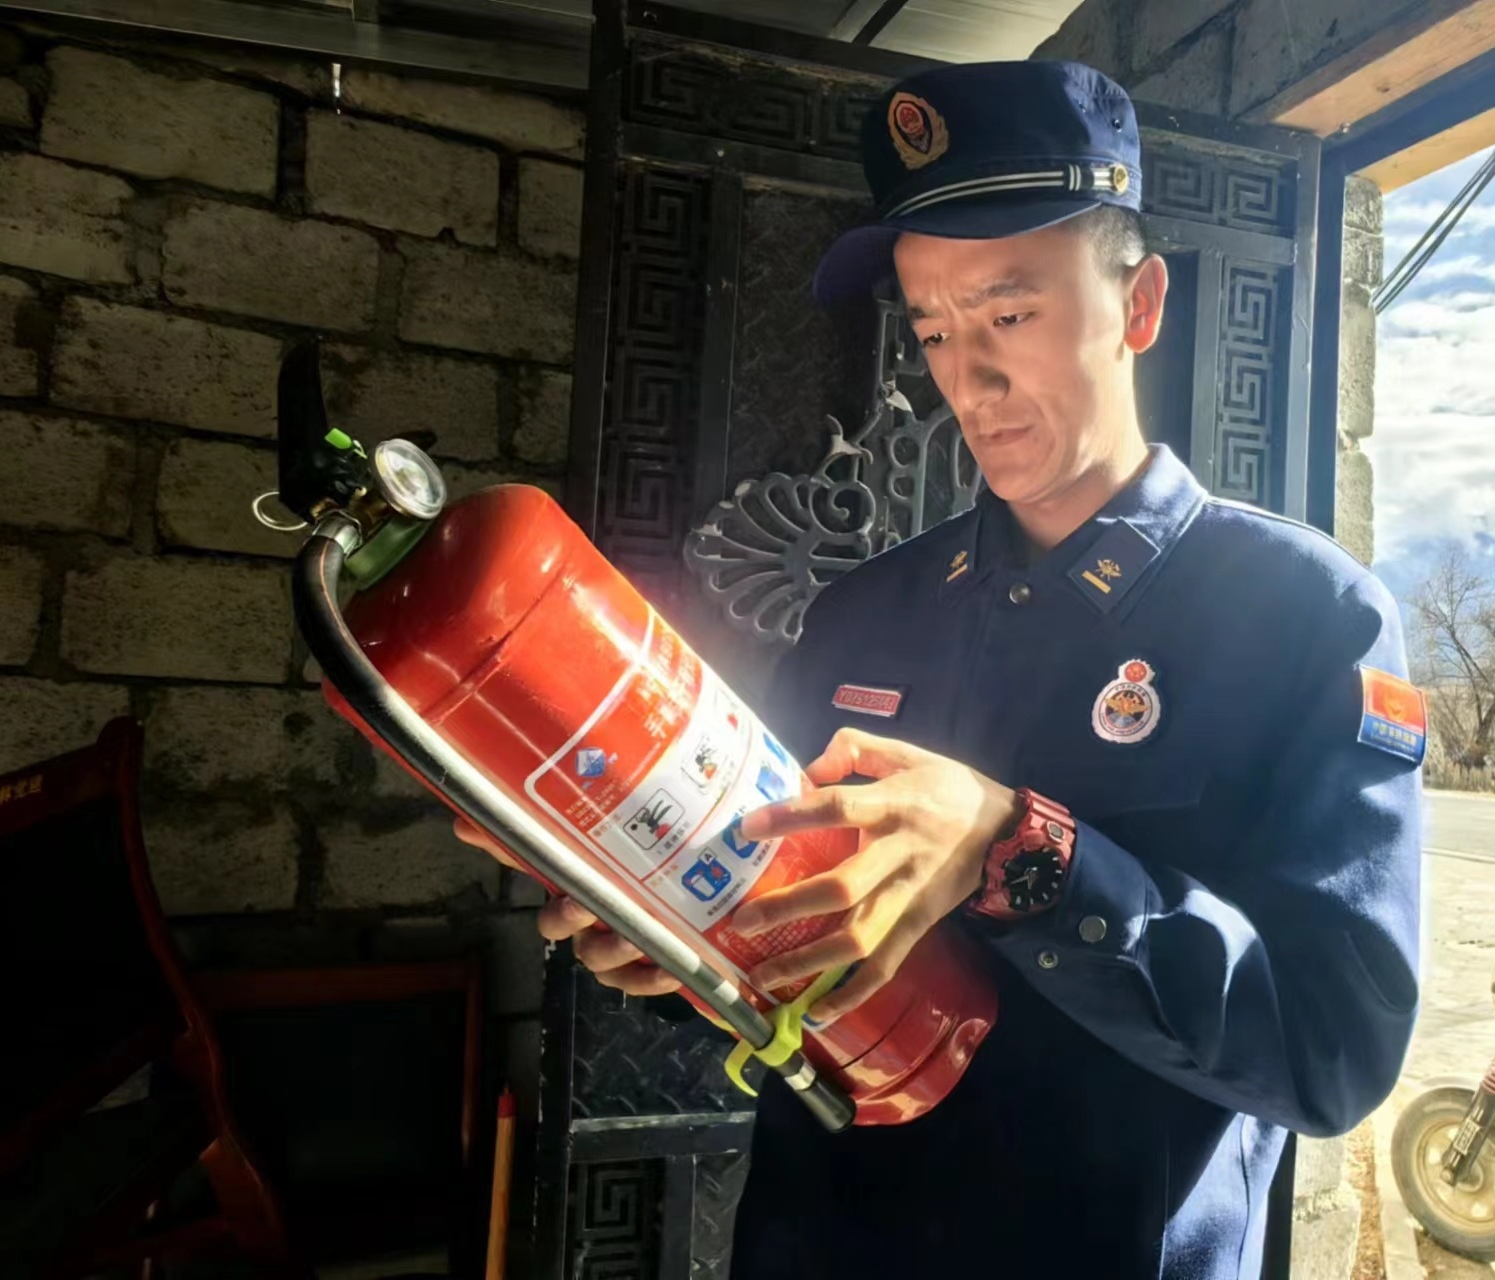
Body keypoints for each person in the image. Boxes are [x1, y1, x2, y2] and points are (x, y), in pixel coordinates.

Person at [464, 59, 1426, 1280]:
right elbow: (787, 951)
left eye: (1009, 315)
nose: (967, 379)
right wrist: (679, 947)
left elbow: (1334, 1052)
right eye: (932, 328)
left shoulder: (1306, 618)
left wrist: (1020, 851)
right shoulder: (860, 617)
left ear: (1138, 305)